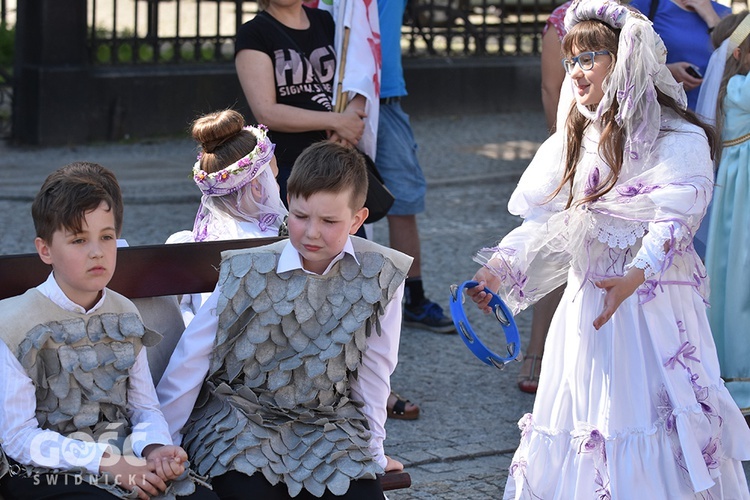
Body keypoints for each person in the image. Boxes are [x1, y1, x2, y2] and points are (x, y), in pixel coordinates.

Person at [468, 0, 750, 497]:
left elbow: (676, 219)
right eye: (571, 60)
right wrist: (497, 269)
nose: (575, 72)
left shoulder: (677, 137)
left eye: (589, 58)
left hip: (652, 311)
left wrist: (637, 273)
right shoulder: (574, 141)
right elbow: (545, 220)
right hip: (588, 310)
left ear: (624, 61)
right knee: (587, 422)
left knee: (647, 421)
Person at [156, 141, 410, 499]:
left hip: (327, 425)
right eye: (301, 216)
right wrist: (163, 443)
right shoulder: (250, 268)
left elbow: (374, 372)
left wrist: (373, 453)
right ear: (287, 203)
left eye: (329, 221)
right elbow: (192, 355)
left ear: (357, 220)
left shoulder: (381, 273)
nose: (311, 232)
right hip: (238, 423)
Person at [0, 163, 216, 500]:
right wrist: (108, 463)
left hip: (123, 455)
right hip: (44, 470)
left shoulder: (124, 312)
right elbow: (18, 437)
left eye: (106, 236)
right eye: (78, 240)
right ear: (45, 250)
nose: (97, 251)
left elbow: (144, 407)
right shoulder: (13, 323)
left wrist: (155, 449)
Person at [376, 0, 455, 337]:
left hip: (385, 98)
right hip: (334, 97)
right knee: (331, 198)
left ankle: (414, 297)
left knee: (403, 199)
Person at [234, 0, 366, 203]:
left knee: (345, 233)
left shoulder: (325, 21)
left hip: (336, 158)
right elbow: (266, 112)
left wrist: (352, 116)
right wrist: (337, 121)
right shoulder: (253, 33)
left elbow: (358, 72)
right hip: (290, 167)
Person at [166, 109, 288, 325]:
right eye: (275, 179)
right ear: (258, 187)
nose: (277, 186)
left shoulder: (189, 244)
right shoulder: (274, 243)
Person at [517, 0, 572, 395]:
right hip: (570, 144)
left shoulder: (633, 15)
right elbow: (551, 87)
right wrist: (565, 144)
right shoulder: (561, 20)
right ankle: (537, 349)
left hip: (623, 145)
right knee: (553, 248)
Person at [698, 12, 750, 415]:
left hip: (738, 199)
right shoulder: (741, 89)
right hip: (742, 202)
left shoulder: (734, 88)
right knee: (740, 281)